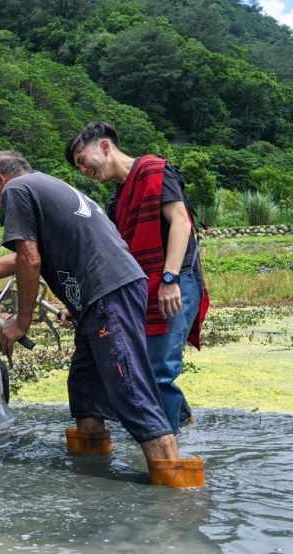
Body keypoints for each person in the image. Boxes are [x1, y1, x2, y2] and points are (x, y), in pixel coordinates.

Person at [0, 151, 204, 487]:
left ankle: (175, 489)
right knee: (84, 388)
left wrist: (21, 323)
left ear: (0, 180)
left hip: (108, 293)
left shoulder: (17, 190)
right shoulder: (45, 187)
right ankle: (93, 473)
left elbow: (30, 262)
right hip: (105, 294)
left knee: (129, 386)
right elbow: (24, 257)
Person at [65, 121, 209, 436]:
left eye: (82, 160)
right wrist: (80, 302)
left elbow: (181, 223)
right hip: (144, 290)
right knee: (144, 367)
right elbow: (113, 256)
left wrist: (169, 279)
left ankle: (168, 452)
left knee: (157, 371)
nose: (82, 170)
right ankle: (184, 424)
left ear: (104, 146)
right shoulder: (116, 202)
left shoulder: (154, 171)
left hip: (175, 282)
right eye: (78, 168)